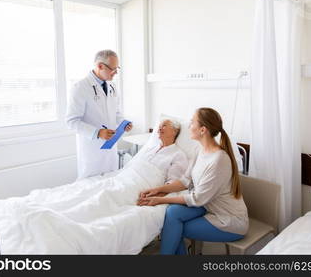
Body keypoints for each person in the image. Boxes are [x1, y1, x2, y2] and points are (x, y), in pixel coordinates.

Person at [137, 108, 249, 255]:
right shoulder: (200, 151)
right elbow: (185, 181)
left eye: (192, 122)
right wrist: (158, 190)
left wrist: (158, 200)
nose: (189, 126)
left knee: (173, 227)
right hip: (208, 207)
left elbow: (197, 198)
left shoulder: (219, 160)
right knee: (171, 213)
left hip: (228, 220)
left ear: (202, 130)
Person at [66, 50, 132, 179]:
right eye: (113, 69)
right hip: (92, 149)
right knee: (90, 186)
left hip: (110, 147)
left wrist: (124, 123)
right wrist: (97, 132)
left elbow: (116, 113)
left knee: (110, 182)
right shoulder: (80, 87)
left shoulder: (112, 87)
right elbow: (71, 121)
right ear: (100, 66)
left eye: (117, 68)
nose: (116, 72)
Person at [128, 119, 188, 184]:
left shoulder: (178, 155)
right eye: (159, 127)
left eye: (164, 126)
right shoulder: (150, 149)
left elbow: (172, 183)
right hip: (130, 177)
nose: (159, 129)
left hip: (144, 185)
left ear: (175, 131)